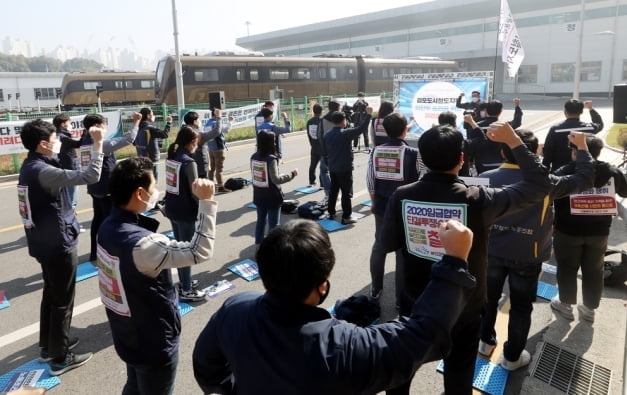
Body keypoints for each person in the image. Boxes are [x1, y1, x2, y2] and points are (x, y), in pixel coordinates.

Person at [193, 218, 478, 394]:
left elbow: (206, 366)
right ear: (323, 286)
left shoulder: (235, 309)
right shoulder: (346, 346)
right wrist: (454, 262)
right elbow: (421, 336)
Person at [381, 122, 551, 395]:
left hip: (416, 301)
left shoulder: (402, 196)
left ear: (422, 159)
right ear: (462, 159)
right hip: (465, 305)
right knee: (459, 375)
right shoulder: (479, 199)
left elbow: (387, 243)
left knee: (404, 369)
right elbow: (539, 184)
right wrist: (514, 141)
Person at [97, 158, 218, 395]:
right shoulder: (145, 245)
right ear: (140, 193)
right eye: (153, 188)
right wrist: (206, 202)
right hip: (153, 341)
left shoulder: (106, 227)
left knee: (134, 385)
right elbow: (199, 251)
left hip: (126, 333)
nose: (157, 192)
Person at [479, 130, 594, 371]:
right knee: (521, 306)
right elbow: (584, 178)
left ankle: (484, 342)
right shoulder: (546, 182)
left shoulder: (485, 177)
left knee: (487, 299)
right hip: (528, 254)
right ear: (535, 153)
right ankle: (511, 358)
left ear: (502, 151)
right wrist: (582, 147)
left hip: (491, 250)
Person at [18, 119, 105, 375]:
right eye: (56, 138)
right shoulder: (43, 171)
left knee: (52, 295)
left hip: (44, 242)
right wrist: (98, 144)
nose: (58, 142)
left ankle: (49, 347)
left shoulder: (30, 165)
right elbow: (91, 175)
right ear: (43, 144)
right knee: (63, 301)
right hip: (58, 243)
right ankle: (60, 358)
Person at [550, 135, 627, 323]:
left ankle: (565, 305)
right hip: (599, 233)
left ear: (575, 152)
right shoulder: (611, 171)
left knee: (566, 268)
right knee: (594, 270)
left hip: (567, 231)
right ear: (598, 152)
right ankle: (589, 310)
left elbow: (548, 193)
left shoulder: (565, 171)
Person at [366, 112, 425, 304]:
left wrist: (374, 202)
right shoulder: (413, 153)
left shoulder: (376, 151)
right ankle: (401, 299)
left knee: (379, 246)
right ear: (405, 129)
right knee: (403, 252)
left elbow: (370, 180)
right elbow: (421, 179)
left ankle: (376, 288)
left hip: (382, 206)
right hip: (406, 208)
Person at [81, 113, 141, 262]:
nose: (105, 127)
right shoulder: (102, 144)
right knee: (111, 222)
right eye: (103, 125)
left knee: (98, 220)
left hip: (94, 187)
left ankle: (95, 252)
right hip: (106, 188)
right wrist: (136, 122)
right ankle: (110, 253)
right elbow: (129, 139)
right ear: (96, 127)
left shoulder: (84, 141)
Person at [164, 126, 208, 302]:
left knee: (179, 247)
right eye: (196, 142)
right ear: (192, 143)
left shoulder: (173, 157)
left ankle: (184, 281)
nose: (197, 145)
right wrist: (205, 209)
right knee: (187, 251)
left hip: (172, 208)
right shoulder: (189, 163)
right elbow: (195, 191)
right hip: (185, 211)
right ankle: (186, 289)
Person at [323, 108, 372, 224]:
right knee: (346, 193)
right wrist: (368, 115)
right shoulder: (345, 133)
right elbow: (361, 129)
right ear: (343, 120)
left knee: (333, 190)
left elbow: (324, 153)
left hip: (333, 167)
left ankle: (331, 212)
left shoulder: (327, 135)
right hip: (344, 168)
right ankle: (346, 216)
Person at [251, 131, 298, 245]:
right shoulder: (271, 159)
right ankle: (272, 248)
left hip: (258, 194)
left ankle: (258, 244)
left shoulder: (254, 156)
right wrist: (292, 174)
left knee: (261, 221)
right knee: (274, 224)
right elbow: (276, 179)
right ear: (270, 142)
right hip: (271, 196)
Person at [463, 98, 523, 175]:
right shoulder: (505, 126)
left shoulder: (476, 126)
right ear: (501, 111)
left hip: (481, 164)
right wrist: (517, 106)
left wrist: (470, 161)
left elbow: (470, 145)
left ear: (486, 111)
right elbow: (517, 122)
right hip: (502, 164)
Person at [542, 99, 604, 172]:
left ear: (565, 112)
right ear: (581, 112)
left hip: (560, 173)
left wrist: (544, 170)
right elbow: (599, 124)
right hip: (583, 171)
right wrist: (591, 109)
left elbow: (548, 151)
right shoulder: (589, 128)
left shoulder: (555, 130)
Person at [184, 110, 231, 179]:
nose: (199, 121)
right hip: (201, 166)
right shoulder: (198, 135)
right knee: (217, 170)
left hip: (189, 165)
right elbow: (216, 132)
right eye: (198, 120)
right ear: (194, 122)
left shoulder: (183, 132)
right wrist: (219, 118)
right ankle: (219, 185)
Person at [53, 113, 82, 216]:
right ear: (63, 124)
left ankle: (69, 217)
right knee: (72, 196)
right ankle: (70, 223)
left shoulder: (58, 135)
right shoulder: (63, 137)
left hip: (64, 167)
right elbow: (78, 144)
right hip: (70, 168)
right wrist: (86, 132)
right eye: (69, 122)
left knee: (68, 195)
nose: (70, 124)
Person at [135, 107, 172, 180]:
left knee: (144, 180)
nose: (153, 116)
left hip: (141, 158)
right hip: (151, 160)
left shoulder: (137, 128)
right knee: (152, 181)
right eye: (152, 114)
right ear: (148, 116)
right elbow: (164, 134)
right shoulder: (150, 128)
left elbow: (134, 142)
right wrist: (169, 123)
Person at [316, 100, 341, 204]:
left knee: (324, 171)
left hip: (326, 151)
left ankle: (328, 193)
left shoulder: (323, 120)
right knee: (338, 173)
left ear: (329, 108)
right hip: (339, 152)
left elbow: (319, 135)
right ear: (338, 108)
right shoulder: (341, 119)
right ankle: (337, 194)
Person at [206, 108, 233, 192]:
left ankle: (210, 185)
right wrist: (230, 121)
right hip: (218, 148)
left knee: (212, 168)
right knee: (219, 169)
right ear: (216, 114)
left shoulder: (208, 123)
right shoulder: (215, 123)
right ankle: (221, 186)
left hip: (210, 148)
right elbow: (226, 130)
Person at [306, 103, 323, 186]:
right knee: (323, 167)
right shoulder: (322, 121)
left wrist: (312, 144)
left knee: (312, 165)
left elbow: (309, 135)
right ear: (321, 111)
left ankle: (311, 181)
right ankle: (322, 184)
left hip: (314, 146)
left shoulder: (309, 121)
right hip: (322, 147)